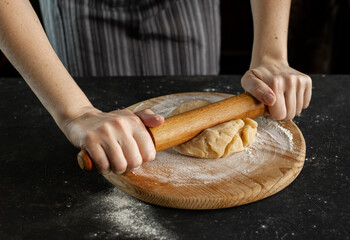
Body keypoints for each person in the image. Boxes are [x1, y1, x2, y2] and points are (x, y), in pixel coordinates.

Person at [0, 0, 312, 175]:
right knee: (109, 145)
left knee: (193, 93)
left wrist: (271, 55)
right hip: (80, 13)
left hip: (186, 9)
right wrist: (77, 111)